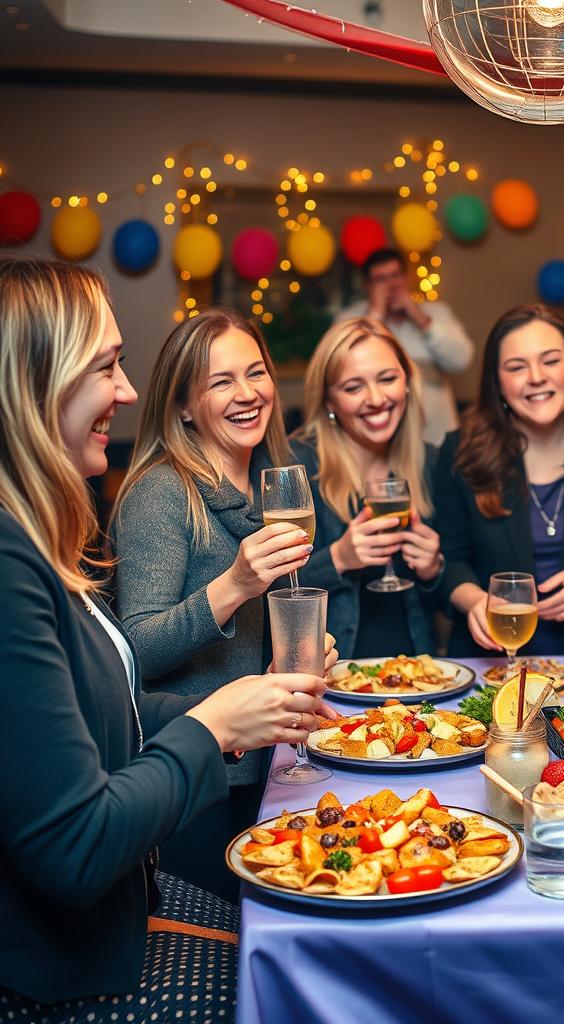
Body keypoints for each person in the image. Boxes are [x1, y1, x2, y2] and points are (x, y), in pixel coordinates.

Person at [0, 256, 330, 1019]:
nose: (126, 389)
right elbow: (74, 842)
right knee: (294, 978)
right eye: (107, 366)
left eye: (256, 373)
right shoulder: (127, 509)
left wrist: (266, 688)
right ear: (35, 384)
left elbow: (99, 709)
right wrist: (216, 720)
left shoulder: (42, 535)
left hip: (130, 888)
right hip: (80, 955)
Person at [111, 308, 317, 899]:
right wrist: (234, 585)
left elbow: (252, 645)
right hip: (201, 782)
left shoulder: (270, 490)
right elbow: (136, 650)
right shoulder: (162, 491)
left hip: (269, 767)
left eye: (256, 373)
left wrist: (294, 657)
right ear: (182, 406)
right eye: (221, 381)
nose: (248, 393)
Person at [434, 304, 564, 657]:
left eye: (550, 361)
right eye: (516, 367)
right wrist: (474, 601)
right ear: (498, 383)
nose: (536, 377)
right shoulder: (459, 451)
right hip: (490, 664)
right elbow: (449, 561)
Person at [293, 317, 444, 657]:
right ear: (329, 401)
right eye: (353, 387)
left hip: (419, 676)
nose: (376, 399)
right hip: (331, 680)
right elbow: (265, 594)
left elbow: (450, 602)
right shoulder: (297, 466)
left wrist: (433, 569)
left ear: (406, 381)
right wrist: (338, 558)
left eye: (387, 379)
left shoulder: (431, 463)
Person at [338, 247, 474, 446]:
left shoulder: (437, 313)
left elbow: (462, 360)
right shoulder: (350, 319)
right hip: (379, 443)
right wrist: (376, 316)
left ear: (406, 278)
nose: (391, 285)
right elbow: (340, 368)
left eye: (395, 275)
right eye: (381, 279)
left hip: (438, 438)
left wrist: (420, 317)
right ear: (368, 287)